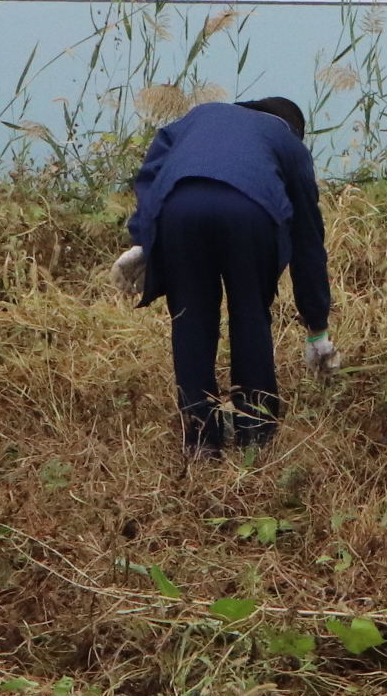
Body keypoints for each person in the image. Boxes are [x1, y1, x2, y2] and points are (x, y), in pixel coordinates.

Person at [116, 96, 336, 455]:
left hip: (180, 209)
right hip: (249, 213)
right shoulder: (287, 142)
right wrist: (317, 328)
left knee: (190, 317)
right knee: (250, 313)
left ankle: (201, 438)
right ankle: (255, 434)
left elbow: (151, 175)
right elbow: (308, 241)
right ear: (293, 128)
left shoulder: (198, 117)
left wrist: (143, 238)